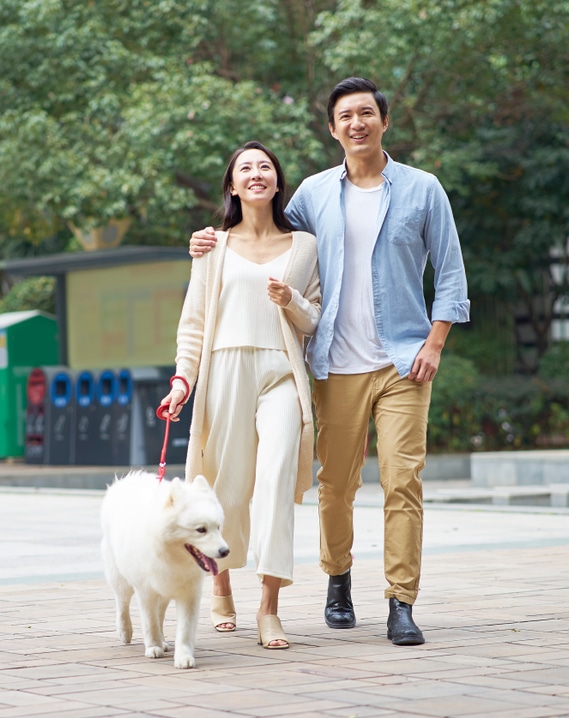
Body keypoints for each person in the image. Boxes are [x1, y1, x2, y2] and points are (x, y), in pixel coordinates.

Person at [190, 77, 470, 646]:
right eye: (346, 116)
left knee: (402, 481)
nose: (357, 123)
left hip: (403, 362)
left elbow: (451, 273)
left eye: (367, 113)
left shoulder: (422, 189)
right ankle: (337, 576)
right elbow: (262, 231)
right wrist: (208, 240)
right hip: (333, 364)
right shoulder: (314, 195)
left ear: (384, 121)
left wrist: (434, 344)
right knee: (336, 487)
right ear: (333, 127)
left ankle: (400, 601)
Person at [159, 140, 321, 650]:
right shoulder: (212, 247)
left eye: (265, 167)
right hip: (224, 369)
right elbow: (193, 324)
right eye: (245, 168)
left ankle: (270, 607)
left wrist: (290, 299)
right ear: (232, 185)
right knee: (224, 486)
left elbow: (314, 319)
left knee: (273, 483)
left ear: (277, 182)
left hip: (280, 372)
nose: (256, 174)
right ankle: (221, 582)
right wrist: (183, 379)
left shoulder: (305, 246)